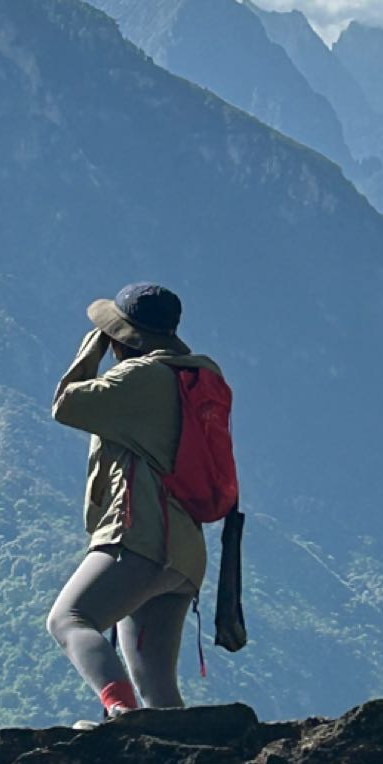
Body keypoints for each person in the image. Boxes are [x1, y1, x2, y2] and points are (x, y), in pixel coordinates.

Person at [47, 281, 231, 720]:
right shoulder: (195, 377)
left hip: (139, 537)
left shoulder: (138, 378)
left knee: (70, 619)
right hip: (184, 551)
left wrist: (90, 354)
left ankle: (121, 717)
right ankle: (176, 761)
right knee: (155, 680)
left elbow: (65, 406)